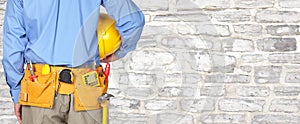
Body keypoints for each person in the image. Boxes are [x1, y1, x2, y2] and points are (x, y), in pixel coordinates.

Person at [2, 0, 145, 123]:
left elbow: (13, 46)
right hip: (87, 85)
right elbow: (134, 21)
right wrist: (119, 53)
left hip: (39, 87)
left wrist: (17, 92)